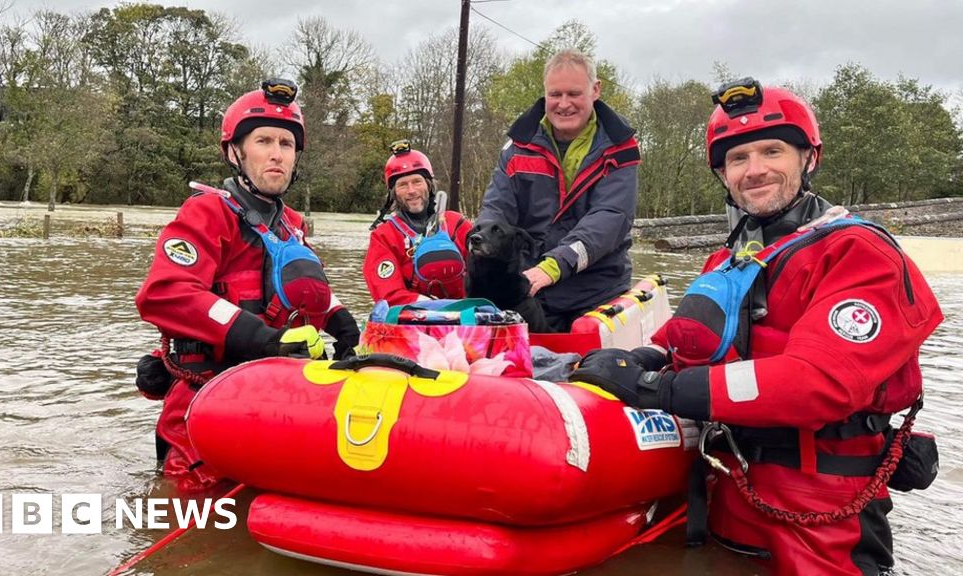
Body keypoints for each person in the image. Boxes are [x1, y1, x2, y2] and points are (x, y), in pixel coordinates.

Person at [570, 78, 943, 576]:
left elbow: (817, 383)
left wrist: (657, 388)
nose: (755, 170)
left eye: (772, 151)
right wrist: (644, 360)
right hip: (726, 493)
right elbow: (686, 344)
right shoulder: (728, 260)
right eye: (738, 158)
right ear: (723, 174)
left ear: (808, 158)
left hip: (821, 515)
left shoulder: (858, 254)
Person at [134, 79, 360, 491]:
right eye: (263, 141)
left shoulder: (293, 225)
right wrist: (262, 338)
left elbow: (299, 289)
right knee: (194, 535)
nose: (277, 154)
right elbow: (165, 293)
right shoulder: (206, 213)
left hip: (274, 402)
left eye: (286, 144)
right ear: (235, 152)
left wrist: (341, 321)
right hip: (204, 408)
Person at [479, 48, 641, 332]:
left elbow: (610, 218)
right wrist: (480, 244)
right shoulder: (517, 146)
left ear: (595, 90)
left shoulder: (621, 148)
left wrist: (553, 266)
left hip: (596, 290)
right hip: (530, 287)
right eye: (555, 95)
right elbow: (497, 208)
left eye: (574, 94)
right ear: (544, 94)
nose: (563, 104)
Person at [363, 141, 471, 305]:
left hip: (466, 316)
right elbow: (389, 295)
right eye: (402, 185)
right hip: (413, 320)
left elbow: (489, 272)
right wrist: (436, 307)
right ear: (394, 194)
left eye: (417, 182)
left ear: (428, 185)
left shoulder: (457, 224)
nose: (411, 191)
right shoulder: (383, 237)